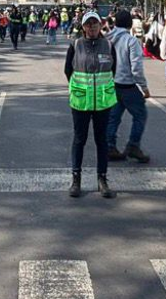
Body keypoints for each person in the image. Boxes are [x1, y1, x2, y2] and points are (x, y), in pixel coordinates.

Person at [64, 11, 117, 198]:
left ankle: (102, 179)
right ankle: (76, 178)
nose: (92, 27)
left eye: (95, 24)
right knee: (80, 139)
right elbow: (68, 70)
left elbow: (113, 70)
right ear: (83, 26)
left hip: (103, 101)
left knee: (101, 140)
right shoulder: (75, 45)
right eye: (88, 24)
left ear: (100, 25)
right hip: (81, 101)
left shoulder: (108, 45)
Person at [107, 10, 150, 163]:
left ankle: (110, 146)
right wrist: (144, 87)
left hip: (112, 84)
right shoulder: (131, 41)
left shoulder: (107, 39)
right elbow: (136, 68)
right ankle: (133, 145)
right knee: (140, 115)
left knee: (113, 118)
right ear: (130, 24)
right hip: (128, 86)